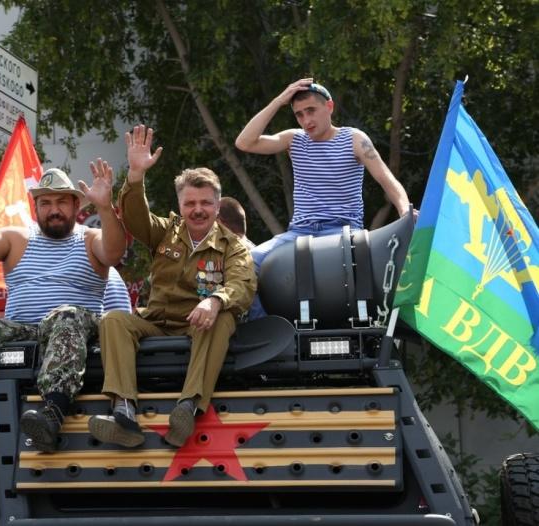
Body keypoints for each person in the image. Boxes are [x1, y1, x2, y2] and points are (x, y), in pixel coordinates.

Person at [0, 156, 127, 456]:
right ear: (36, 207)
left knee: (66, 314)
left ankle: (52, 413)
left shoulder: (91, 239)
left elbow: (114, 251)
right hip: (24, 332)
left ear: (76, 206)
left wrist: (106, 209)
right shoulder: (16, 238)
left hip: (74, 333)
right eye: (45, 203)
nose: (54, 210)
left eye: (62, 202)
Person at [88, 125, 256, 448]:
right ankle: (124, 412)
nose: (198, 210)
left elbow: (243, 283)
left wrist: (215, 300)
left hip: (199, 325)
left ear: (217, 206)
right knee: (113, 320)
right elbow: (135, 219)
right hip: (157, 322)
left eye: (205, 203)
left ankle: (187, 408)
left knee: (223, 317)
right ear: (180, 205)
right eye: (190, 203)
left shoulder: (233, 246)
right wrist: (136, 174)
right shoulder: (166, 232)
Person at [235, 78, 413, 319]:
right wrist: (278, 101)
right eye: (299, 114)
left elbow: (386, 179)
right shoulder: (294, 139)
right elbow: (244, 142)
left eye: (311, 110)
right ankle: (266, 329)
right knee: (244, 265)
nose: (306, 120)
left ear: (329, 107)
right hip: (299, 232)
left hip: (342, 231)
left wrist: (405, 211)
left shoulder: (354, 139)